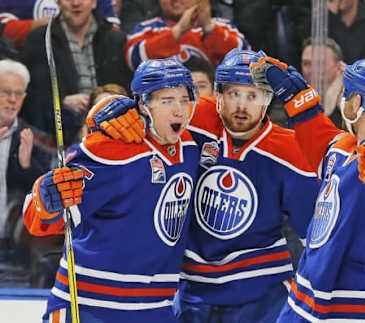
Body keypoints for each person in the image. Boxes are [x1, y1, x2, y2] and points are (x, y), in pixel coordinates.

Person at [88, 48, 320, 322]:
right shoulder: (193, 118)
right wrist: (111, 113)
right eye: (234, 94)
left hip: (262, 293)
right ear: (218, 95)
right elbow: (147, 105)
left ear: (267, 100)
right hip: (194, 290)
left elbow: (315, 237)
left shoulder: (292, 150)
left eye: (253, 95)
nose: (242, 106)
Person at [249, 55, 365, 321]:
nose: (342, 100)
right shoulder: (344, 146)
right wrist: (297, 97)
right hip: (308, 298)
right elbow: (319, 138)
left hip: (360, 306)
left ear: (357, 103)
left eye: (345, 93)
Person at [23, 58, 199, 322]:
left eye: (184, 100)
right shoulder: (112, 150)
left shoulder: (191, 147)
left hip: (155, 307)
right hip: (88, 305)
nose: (179, 111)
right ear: (143, 104)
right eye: (166, 101)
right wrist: (45, 201)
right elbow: (40, 223)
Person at [21, 0, 131, 147]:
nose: (76, 3)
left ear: (94, 3)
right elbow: (32, 100)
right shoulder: (39, 40)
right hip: (58, 137)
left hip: (114, 133)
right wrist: (62, 102)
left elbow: (127, 92)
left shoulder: (116, 39)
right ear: (58, 3)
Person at [0, 59, 51, 272]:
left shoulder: (38, 141)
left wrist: (26, 164)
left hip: (18, 248)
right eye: (5, 92)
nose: (12, 100)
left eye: (18, 94)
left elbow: (47, 196)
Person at [125, 0, 250, 70]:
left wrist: (209, 28)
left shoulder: (222, 25)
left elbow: (244, 59)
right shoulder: (146, 28)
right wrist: (177, 31)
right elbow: (134, 60)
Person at [301, 37, 344, 128]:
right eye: (307, 64)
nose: (313, 70)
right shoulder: (295, 99)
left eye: (320, 64)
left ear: (339, 67)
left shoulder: (351, 103)